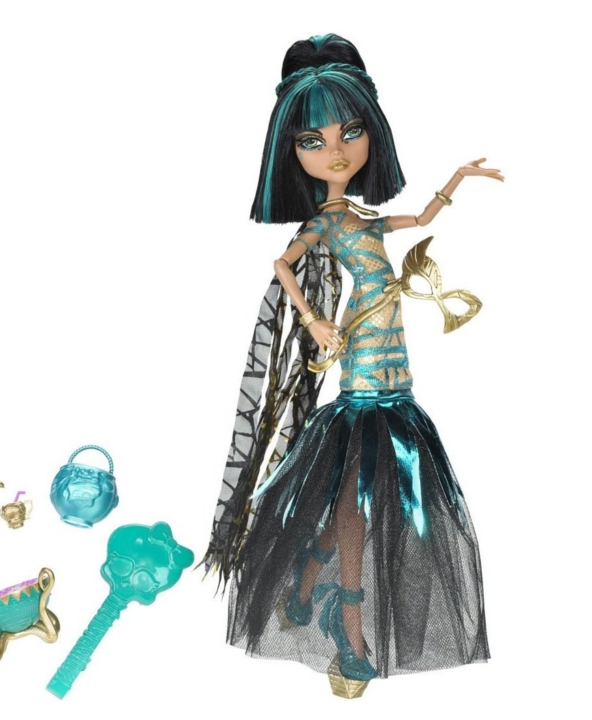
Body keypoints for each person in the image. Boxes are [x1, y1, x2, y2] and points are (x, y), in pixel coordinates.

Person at [203, 34, 502, 699]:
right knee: (357, 493)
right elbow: (282, 263)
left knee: (377, 483)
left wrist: (457, 179)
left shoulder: (364, 217)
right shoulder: (326, 225)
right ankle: (349, 626)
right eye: (313, 142)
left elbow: (420, 217)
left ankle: (309, 582)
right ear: (291, 153)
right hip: (361, 358)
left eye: (350, 133)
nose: (336, 152)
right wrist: (314, 319)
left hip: (395, 363)